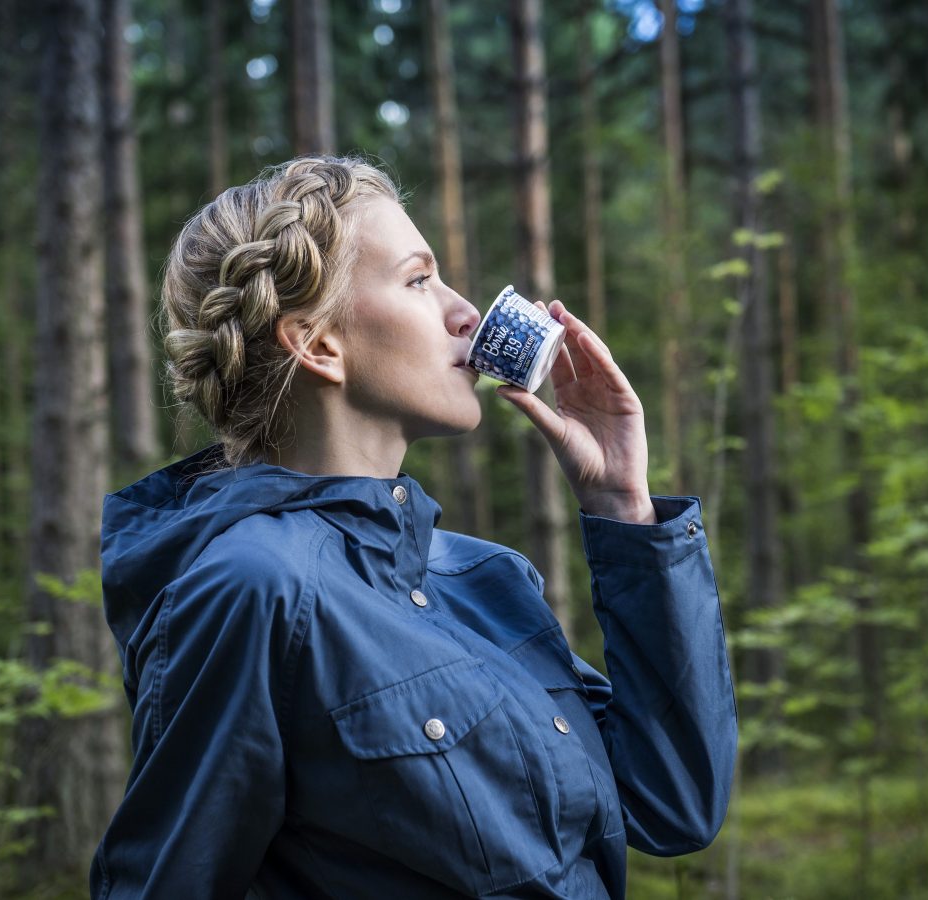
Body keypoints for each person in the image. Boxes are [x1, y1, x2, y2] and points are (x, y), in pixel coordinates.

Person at [89, 155, 737, 899]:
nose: (468, 313)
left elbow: (673, 805)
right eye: (419, 280)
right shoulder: (253, 588)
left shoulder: (486, 580)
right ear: (318, 344)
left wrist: (624, 507)